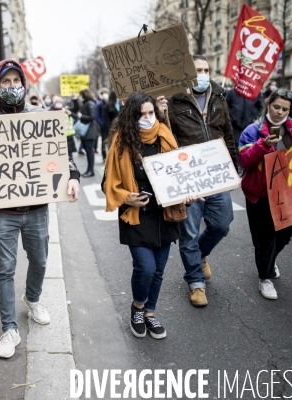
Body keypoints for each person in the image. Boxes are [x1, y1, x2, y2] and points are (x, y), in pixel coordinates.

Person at [0, 59, 81, 359]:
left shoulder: (40, 116)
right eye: (5, 82)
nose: (11, 87)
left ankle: (33, 299)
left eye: (15, 81)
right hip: (2, 214)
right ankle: (9, 328)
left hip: (36, 210)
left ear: (23, 82)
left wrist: (72, 176)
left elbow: (60, 153)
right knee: (5, 269)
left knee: (40, 261)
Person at [103, 91, 197, 339]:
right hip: (136, 214)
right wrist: (126, 197)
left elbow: (181, 174)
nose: (147, 118)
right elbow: (108, 183)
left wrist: (187, 192)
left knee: (159, 270)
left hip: (165, 214)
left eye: (150, 113)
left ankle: (150, 313)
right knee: (145, 267)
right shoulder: (122, 143)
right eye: (141, 114)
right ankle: (137, 307)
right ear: (131, 117)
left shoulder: (165, 135)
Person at [159, 54, 236, 307]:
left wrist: (234, 166)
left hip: (216, 174)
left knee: (222, 224)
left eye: (205, 69)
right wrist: (161, 115)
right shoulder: (172, 101)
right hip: (188, 176)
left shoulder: (218, 96)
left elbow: (227, 132)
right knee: (188, 233)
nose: (202, 74)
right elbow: (163, 137)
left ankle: (201, 255)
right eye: (197, 70)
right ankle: (195, 282)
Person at [238, 89, 292, 299]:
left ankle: (268, 261)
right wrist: (263, 146)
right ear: (268, 105)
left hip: (288, 193)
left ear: (291, 110)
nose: (280, 112)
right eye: (276, 107)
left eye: (285, 109)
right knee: (265, 236)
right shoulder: (252, 131)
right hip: (260, 194)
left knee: (287, 231)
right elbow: (245, 161)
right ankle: (265, 278)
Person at [225, 85, 264, 155]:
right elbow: (225, 106)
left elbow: (261, 107)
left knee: (248, 146)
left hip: (249, 125)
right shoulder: (232, 93)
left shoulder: (255, 93)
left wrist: (254, 116)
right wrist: (231, 118)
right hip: (234, 126)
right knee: (235, 147)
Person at [73, 89, 99, 177]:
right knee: (88, 151)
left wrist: (81, 116)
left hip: (89, 131)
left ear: (84, 95)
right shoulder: (86, 103)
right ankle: (89, 170)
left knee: (89, 151)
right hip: (86, 132)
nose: (80, 97)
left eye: (81, 95)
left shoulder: (90, 104)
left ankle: (91, 170)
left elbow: (92, 117)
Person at [50, 95, 77, 160]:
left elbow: (76, 110)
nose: (59, 103)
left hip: (68, 136)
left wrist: (74, 100)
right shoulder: (50, 111)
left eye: (60, 102)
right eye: (57, 102)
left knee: (69, 156)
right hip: (56, 137)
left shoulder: (66, 110)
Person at [102, 90, 120, 160]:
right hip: (111, 128)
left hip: (119, 127)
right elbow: (106, 119)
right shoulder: (107, 105)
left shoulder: (119, 103)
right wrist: (109, 129)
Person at [96, 88, 110, 154]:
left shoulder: (110, 103)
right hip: (103, 127)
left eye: (106, 93)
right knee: (104, 142)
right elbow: (97, 116)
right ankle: (104, 156)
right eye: (103, 93)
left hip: (110, 126)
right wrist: (102, 124)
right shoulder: (99, 104)